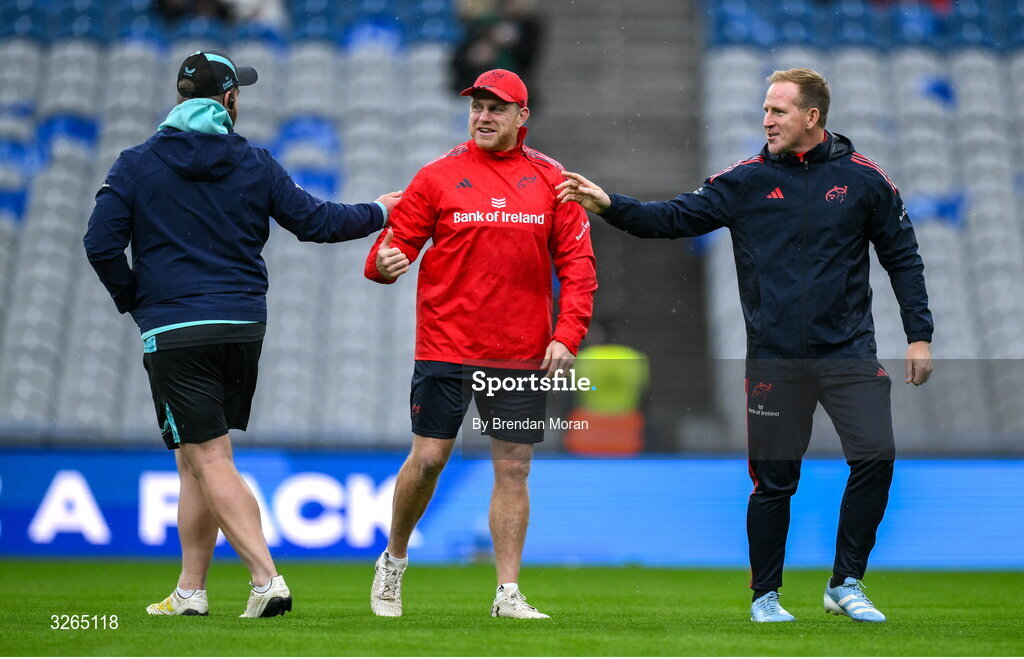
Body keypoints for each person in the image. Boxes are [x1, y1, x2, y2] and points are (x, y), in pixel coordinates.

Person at [558, 68, 933, 624]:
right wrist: (610, 204)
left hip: (849, 351)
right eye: (765, 109)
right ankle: (766, 597)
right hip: (774, 358)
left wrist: (919, 335)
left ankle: (846, 581)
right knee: (775, 481)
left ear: (812, 116)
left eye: (779, 111)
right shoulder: (745, 181)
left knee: (875, 456)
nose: (766, 120)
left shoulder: (865, 181)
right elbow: (672, 219)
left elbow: (902, 256)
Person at [83, 50, 401, 618]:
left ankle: (265, 578)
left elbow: (99, 244)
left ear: (181, 99)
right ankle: (190, 591)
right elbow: (318, 222)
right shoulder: (255, 162)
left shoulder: (135, 163)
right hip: (241, 324)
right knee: (196, 457)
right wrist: (379, 211)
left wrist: (136, 301)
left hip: (175, 325)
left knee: (208, 456)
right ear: (229, 99)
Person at [364, 69, 596, 619]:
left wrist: (568, 333)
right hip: (445, 345)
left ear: (522, 117)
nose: (484, 117)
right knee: (428, 460)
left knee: (513, 468)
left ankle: (507, 594)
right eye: (477, 107)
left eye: (497, 108)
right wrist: (383, 263)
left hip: (519, 351)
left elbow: (579, 266)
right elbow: (388, 249)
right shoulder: (438, 175)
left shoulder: (551, 179)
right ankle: (393, 562)